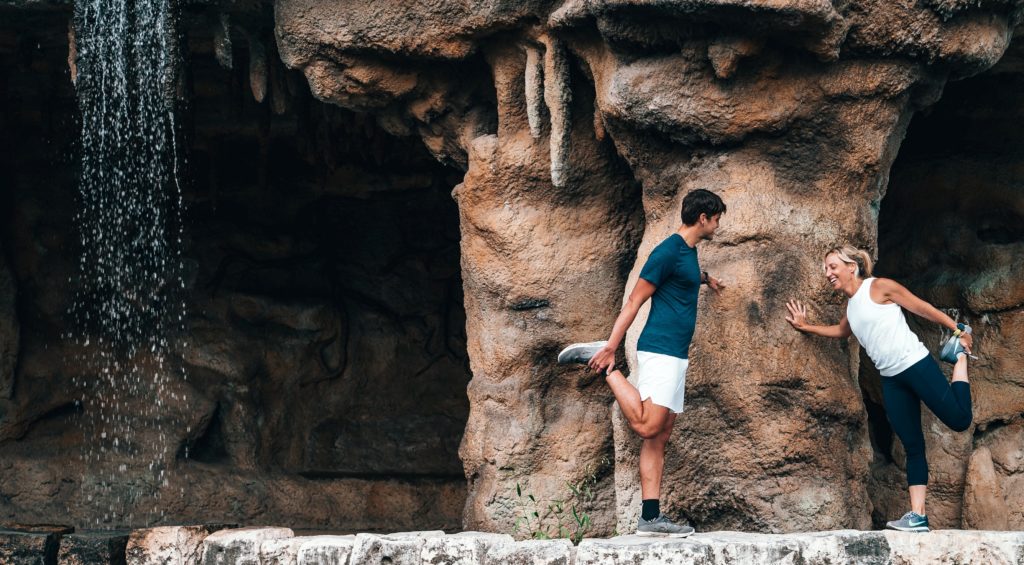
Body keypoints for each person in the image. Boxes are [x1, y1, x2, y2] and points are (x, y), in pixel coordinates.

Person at [558, 188, 726, 537]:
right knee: (649, 426)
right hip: (660, 349)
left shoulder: (688, 252)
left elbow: (686, 274)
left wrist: (708, 280)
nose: (718, 225)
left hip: (676, 355)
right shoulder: (666, 252)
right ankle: (604, 364)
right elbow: (634, 301)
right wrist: (612, 347)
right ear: (703, 218)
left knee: (659, 436)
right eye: (717, 219)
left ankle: (650, 518)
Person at [784, 244, 973, 532]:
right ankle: (918, 516)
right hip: (891, 379)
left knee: (959, 420)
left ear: (852, 267)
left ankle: (959, 357)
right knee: (912, 445)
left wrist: (957, 330)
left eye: (832, 266)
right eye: (825, 269)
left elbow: (920, 307)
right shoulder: (851, 308)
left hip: (915, 364)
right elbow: (841, 331)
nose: (827, 273)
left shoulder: (879, 287)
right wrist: (805, 327)